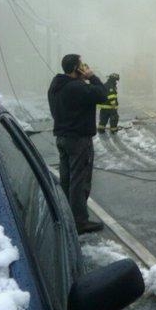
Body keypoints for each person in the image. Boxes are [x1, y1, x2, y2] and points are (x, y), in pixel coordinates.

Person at [48, 54, 108, 234]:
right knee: (79, 182)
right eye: (81, 65)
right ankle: (80, 221)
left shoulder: (56, 85)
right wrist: (91, 76)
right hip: (78, 140)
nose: (84, 67)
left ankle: (67, 216)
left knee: (67, 180)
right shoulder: (76, 87)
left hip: (62, 138)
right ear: (76, 68)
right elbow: (102, 94)